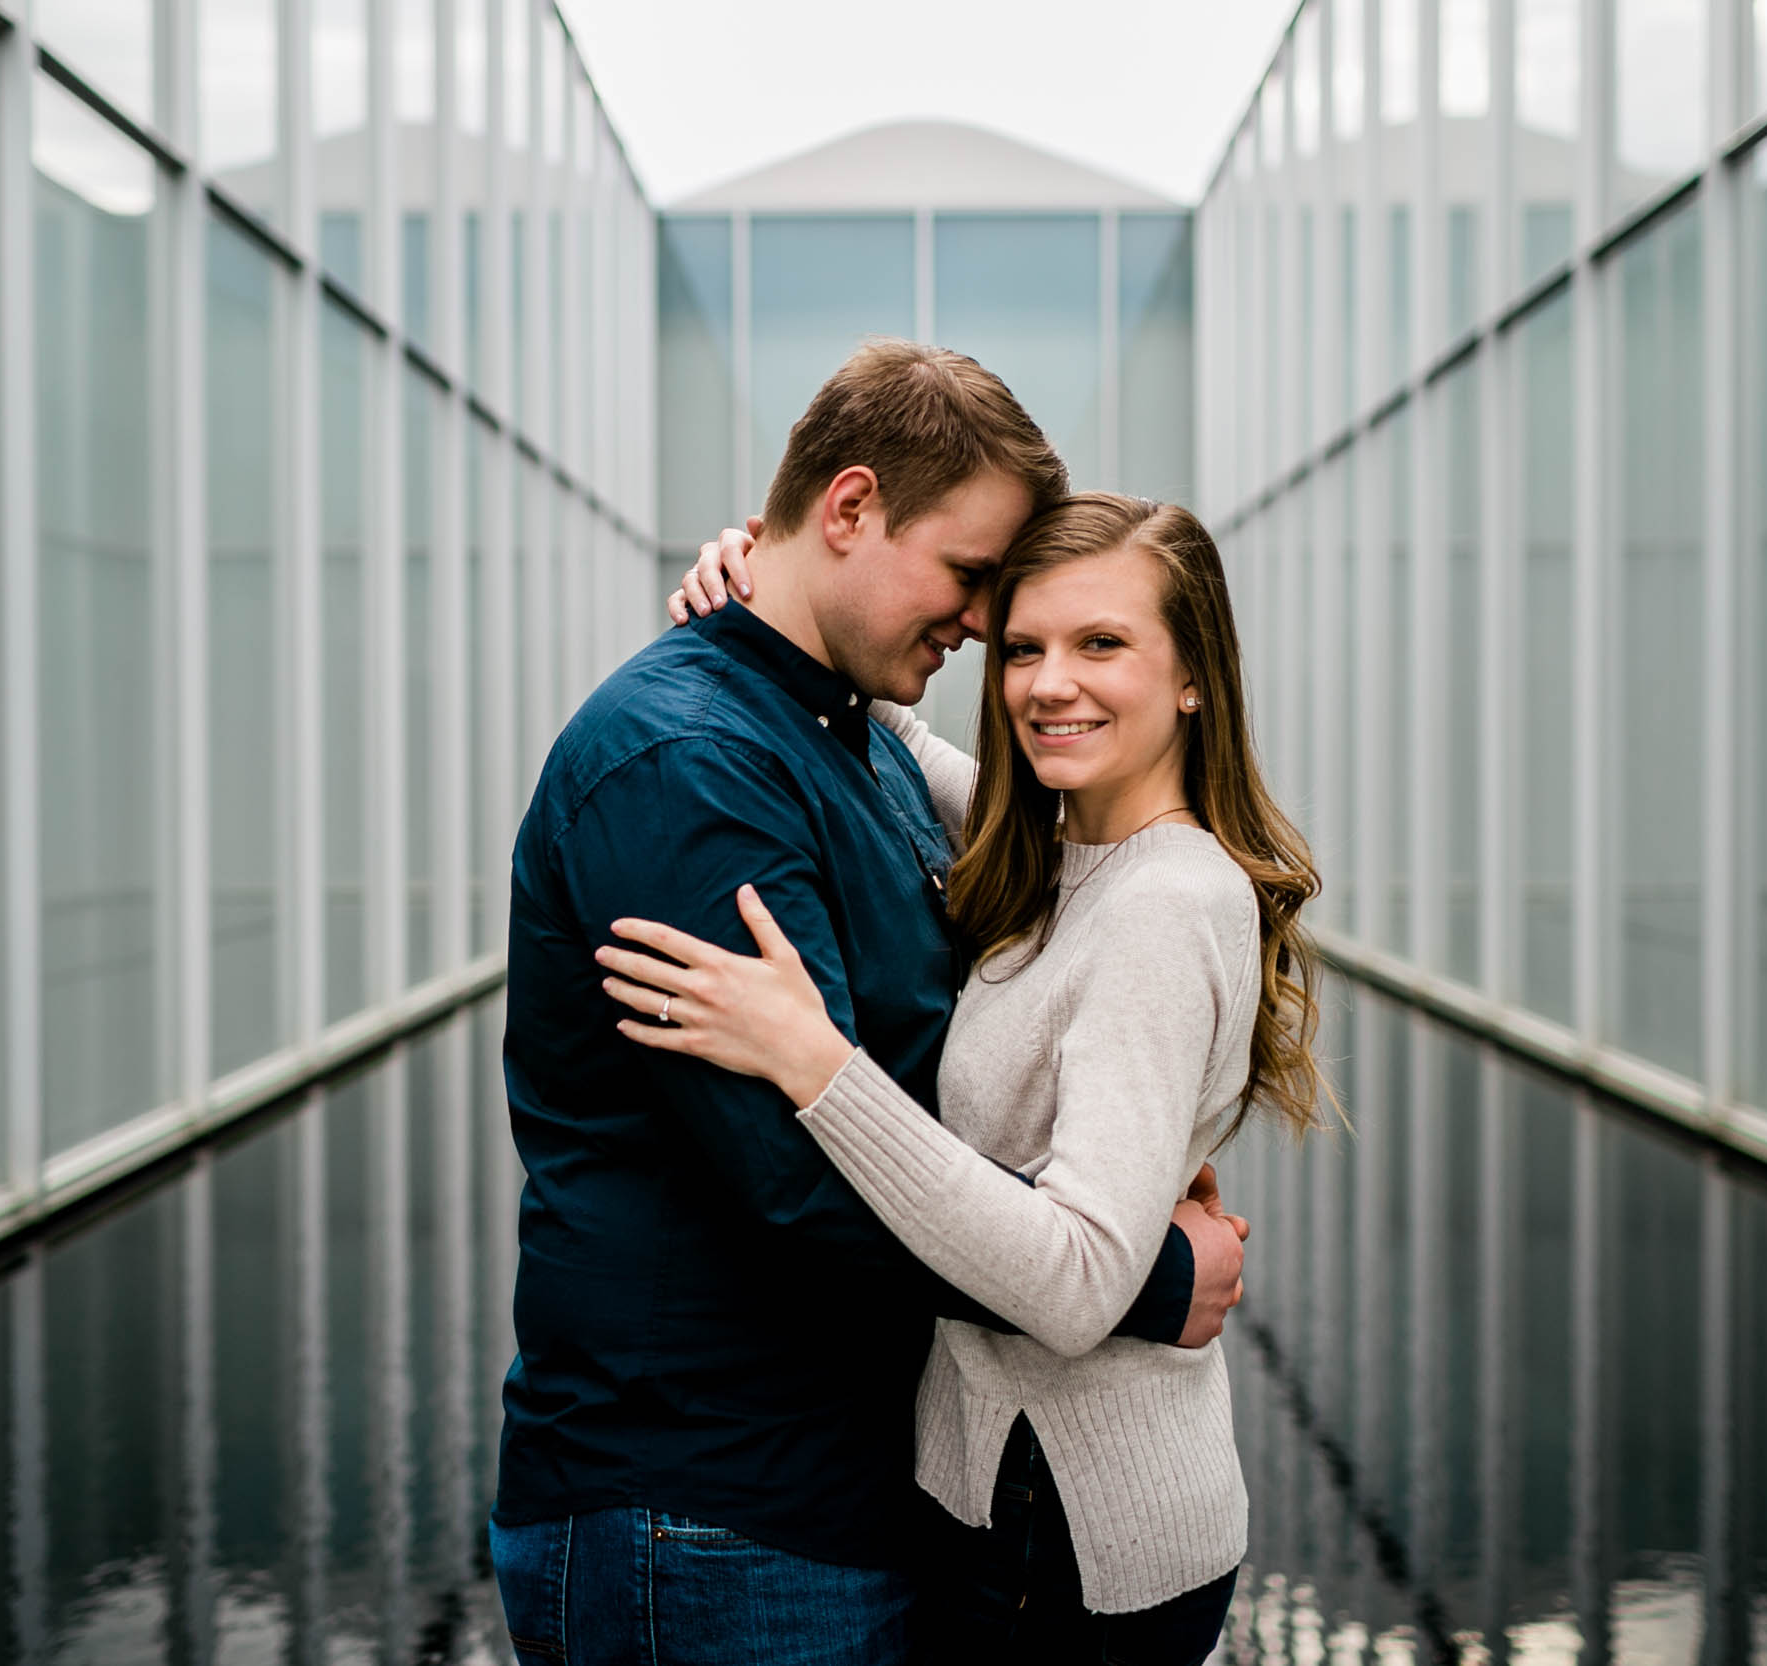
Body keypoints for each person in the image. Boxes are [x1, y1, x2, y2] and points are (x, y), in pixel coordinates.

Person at [487, 341, 1251, 1666]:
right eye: (975, 587)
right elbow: (801, 1185)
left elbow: (1053, 862)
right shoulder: (691, 767)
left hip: (821, 1502)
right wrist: (1138, 1275)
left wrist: (757, 581)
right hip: (708, 1518)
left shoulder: (849, 732)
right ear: (848, 509)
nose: (985, 639)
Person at [608, 492, 1325, 1662]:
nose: (1051, 684)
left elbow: (1080, 1274)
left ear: (1193, 676)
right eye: (1025, 647)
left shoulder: (1163, 903)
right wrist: (761, 585)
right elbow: (896, 738)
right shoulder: (1057, 850)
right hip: (1011, 1504)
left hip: (1075, 1540)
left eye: (1102, 645)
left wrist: (817, 1065)